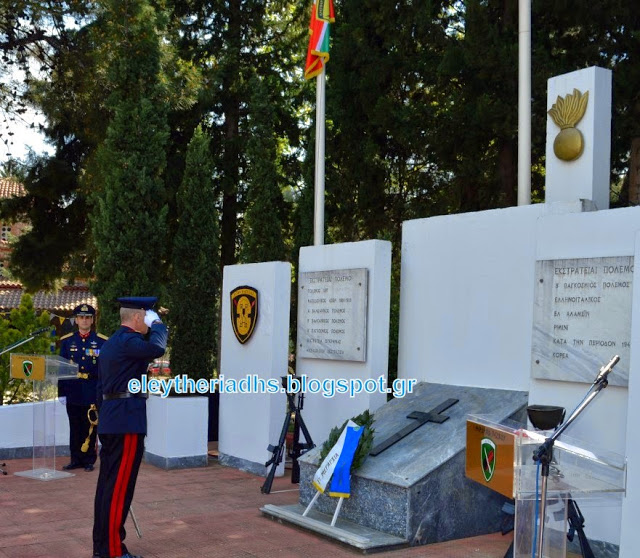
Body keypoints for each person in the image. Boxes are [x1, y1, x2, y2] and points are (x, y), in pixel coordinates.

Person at [92, 297, 167, 558]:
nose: (148, 321)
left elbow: (100, 388)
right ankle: (112, 552)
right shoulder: (128, 341)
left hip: (113, 420)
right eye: (146, 316)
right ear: (137, 318)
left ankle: (104, 547)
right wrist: (159, 325)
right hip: (126, 422)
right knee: (118, 490)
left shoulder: (112, 343)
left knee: (108, 488)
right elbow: (157, 348)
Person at [58, 304, 108, 472]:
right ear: (76, 320)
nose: (84, 320)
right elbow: (61, 369)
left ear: (92, 320)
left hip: (92, 389)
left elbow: (105, 370)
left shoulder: (101, 341)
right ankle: (75, 459)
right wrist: (61, 393)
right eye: (81, 317)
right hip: (73, 389)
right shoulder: (67, 341)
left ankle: (88, 459)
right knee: (75, 426)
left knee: (91, 426)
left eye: (88, 317)